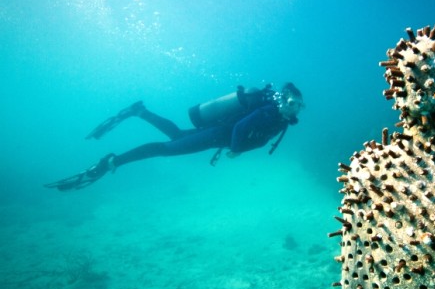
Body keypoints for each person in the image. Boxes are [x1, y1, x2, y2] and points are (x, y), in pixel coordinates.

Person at [45, 83, 304, 191]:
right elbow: (240, 128)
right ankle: (111, 162)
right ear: (283, 99)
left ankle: (139, 111)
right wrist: (235, 149)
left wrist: (235, 147)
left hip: (216, 136)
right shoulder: (269, 112)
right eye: (292, 103)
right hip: (217, 135)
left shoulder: (281, 120)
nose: (295, 110)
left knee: (176, 135)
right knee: (165, 149)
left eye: (299, 106)